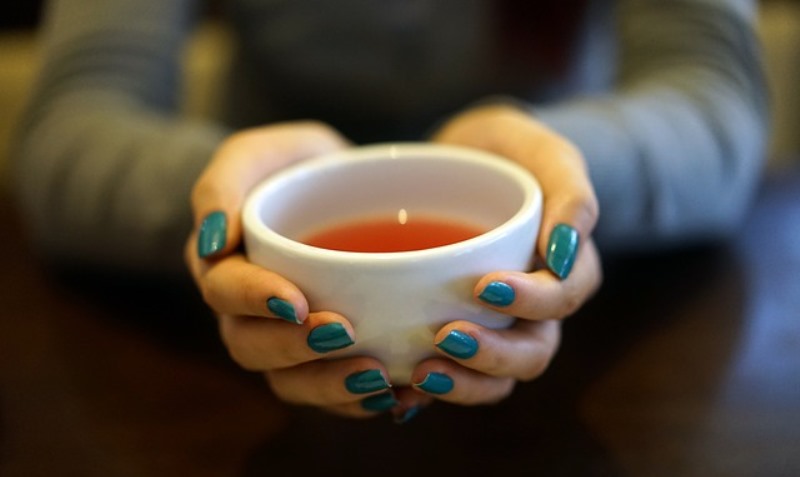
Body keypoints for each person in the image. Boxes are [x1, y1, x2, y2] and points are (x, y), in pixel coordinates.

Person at [11, 0, 768, 421]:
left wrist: (557, 181)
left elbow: (716, 94)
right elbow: (71, 121)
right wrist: (230, 200)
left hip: (601, 350)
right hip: (250, 352)